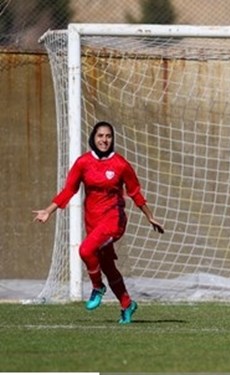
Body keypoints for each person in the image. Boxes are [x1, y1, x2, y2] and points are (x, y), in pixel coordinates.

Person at [33, 121, 164, 324]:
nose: (104, 140)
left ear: (113, 139)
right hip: (93, 221)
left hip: (114, 220)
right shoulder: (83, 163)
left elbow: (135, 192)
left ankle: (97, 287)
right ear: (93, 138)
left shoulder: (120, 164)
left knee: (85, 250)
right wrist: (48, 211)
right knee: (107, 266)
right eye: (100, 136)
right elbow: (69, 190)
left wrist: (149, 215)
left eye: (108, 136)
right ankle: (127, 304)